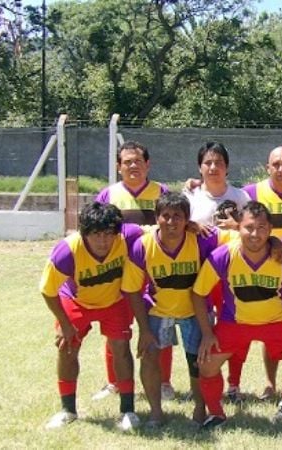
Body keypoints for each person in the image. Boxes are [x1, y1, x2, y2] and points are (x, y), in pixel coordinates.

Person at [191, 201, 282, 429]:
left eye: (262, 228)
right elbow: (197, 293)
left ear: (270, 229)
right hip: (235, 322)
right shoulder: (224, 255)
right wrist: (207, 333)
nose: (255, 234)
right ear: (238, 227)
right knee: (207, 364)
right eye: (249, 227)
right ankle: (217, 415)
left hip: (278, 320)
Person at [122, 193, 232, 427]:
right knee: (150, 356)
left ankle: (200, 409)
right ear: (156, 218)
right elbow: (132, 290)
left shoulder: (203, 237)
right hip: (157, 311)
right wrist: (143, 329)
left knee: (199, 361)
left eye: (178, 217)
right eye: (166, 216)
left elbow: (245, 237)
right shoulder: (143, 245)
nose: (171, 222)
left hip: (195, 312)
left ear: (187, 219)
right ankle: (155, 412)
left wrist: (273, 242)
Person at [40, 202, 143, 430]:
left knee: (121, 349)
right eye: (96, 234)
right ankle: (68, 410)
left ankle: (127, 411)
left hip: (114, 301)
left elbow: (159, 231)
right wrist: (65, 324)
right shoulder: (67, 251)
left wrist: (192, 226)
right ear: (84, 232)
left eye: (108, 234)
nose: (103, 241)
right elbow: (47, 291)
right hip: (77, 301)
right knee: (67, 348)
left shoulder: (128, 236)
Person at [93, 141, 176, 403]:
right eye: (127, 161)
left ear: (147, 164)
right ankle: (114, 382)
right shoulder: (108, 195)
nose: (132, 166)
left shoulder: (162, 192)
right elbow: (93, 232)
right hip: (118, 273)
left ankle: (164, 382)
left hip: (153, 273)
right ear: (118, 167)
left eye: (138, 161)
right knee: (116, 328)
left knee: (161, 326)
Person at [232, 146, 282, 403]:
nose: (280, 169)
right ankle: (268, 383)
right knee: (259, 325)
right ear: (267, 167)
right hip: (259, 268)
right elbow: (240, 224)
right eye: (275, 164)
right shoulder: (251, 192)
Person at [185, 142, 250, 227]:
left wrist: (238, 226)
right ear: (200, 168)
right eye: (208, 163)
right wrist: (190, 225)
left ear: (227, 167)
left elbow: (255, 226)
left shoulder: (241, 197)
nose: (213, 167)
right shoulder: (189, 198)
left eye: (218, 162)